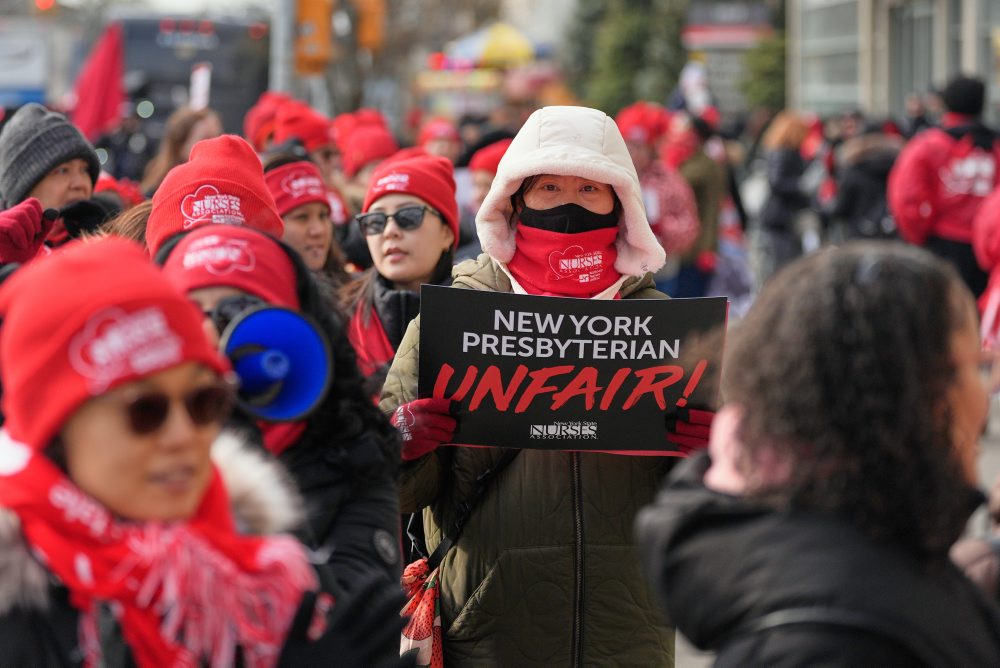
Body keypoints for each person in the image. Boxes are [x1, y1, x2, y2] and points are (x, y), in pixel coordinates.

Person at [0, 237, 407, 665]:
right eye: (145, 410)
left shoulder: (244, 550)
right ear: (56, 429)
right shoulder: (14, 602)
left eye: (203, 403)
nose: (184, 436)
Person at [380, 106, 682, 666]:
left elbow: (723, 510)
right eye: (548, 186)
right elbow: (386, 490)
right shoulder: (453, 320)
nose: (568, 202)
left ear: (620, 203)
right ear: (514, 199)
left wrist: (716, 459)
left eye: (590, 188)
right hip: (486, 635)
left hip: (630, 635)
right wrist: (399, 445)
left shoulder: (668, 333)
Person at [636, 242, 1000, 664]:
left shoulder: (867, 554)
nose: (987, 392)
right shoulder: (834, 639)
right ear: (914, 399)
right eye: (975, 366)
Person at [158, 224, 404, 614]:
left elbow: (354, 632)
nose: (211, 333)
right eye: (188, 311)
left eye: (236, 312)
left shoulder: (356, 464)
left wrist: (243, 467)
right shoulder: (134, 451)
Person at [342, 153, 459, 396]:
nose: (390, 231)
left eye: (408, 216)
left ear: (447, 233)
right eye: (375, 221)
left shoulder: (487, 318)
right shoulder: (337, 315)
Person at [888, 74, 1000, 298]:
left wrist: (920, 239)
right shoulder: (994, 146)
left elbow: (906, 200)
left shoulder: (927, 145)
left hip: (943, 247)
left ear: (945, 103)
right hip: (991, 252)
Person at [0, 103, 110, 250]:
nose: (80, 184)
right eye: (63, 170)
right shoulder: (5, 258)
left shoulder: (115, 238)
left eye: (84, 170)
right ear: (22, 191)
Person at [263, 156, 351, 288]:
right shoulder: (259, 299)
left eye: (323, 215)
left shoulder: (353, 294)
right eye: (302, 217)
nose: (318, 230)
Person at [754, 110, 811, 284]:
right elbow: (777, 182)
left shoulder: (779, 152)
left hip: (779, 217)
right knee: (784, 266)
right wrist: (802, 185)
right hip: (781, 217)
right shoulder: (784, 154)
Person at [140, 106, 223, 195]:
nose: (215, 145)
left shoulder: (224, 181)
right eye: (206, 138)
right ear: (180, 145)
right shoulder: (158, 187)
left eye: (218, 137)